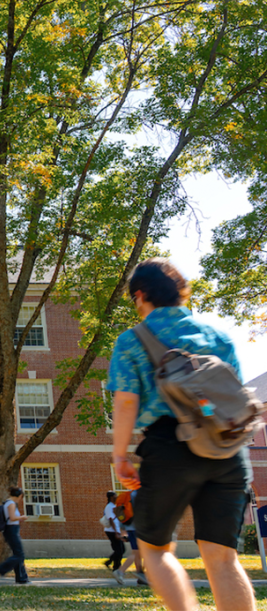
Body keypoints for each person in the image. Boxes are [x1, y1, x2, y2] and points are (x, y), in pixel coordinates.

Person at [110, 258, 255, 611]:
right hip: (227, 449)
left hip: (169, 446)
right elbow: (233, 395)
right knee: (223, 558)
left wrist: (120, 457)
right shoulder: (217, 336)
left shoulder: (132, 341)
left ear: (141, 295)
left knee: (156, 550)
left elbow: (126, 402)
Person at [0, 487, 29, 584]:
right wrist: (22, 517)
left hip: (11, 530)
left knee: (18, 554)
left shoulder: (8, 503)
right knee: (19, 554)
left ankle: (21, 578)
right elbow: (12, 518)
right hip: (11, 530)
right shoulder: (11, 504)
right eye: (21, 497)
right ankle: (1, 568)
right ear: (20, 496)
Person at [118, 489, 147, 586]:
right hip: (139, 528)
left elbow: (121, 513)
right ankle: (121, 571)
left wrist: (122, 530)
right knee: (143, 552)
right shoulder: (141, 494)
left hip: (130, 528)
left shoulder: (128, 494)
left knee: (137, 552)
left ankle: (141, 576)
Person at [103, 490, 125, 584]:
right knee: (119, 550)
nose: (117, 496)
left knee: (121, 550)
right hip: (111, 531)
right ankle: (116, 569)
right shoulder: (109, 507)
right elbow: (111, 520)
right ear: (111, 497)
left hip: (116, 531)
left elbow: (120, 518)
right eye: (115, 495)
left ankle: (109, 562)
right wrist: (116, 533)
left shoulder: (114, 506)